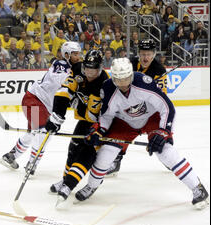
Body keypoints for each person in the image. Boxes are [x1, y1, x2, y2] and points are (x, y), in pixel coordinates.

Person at [74, 58, 209, 210]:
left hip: (151, 118)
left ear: (131, 75)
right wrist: (99, 130)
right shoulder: (108, 88)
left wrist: (165, 131)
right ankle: (92, 186)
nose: (123, 84)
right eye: (119, 79)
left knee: (165, 152)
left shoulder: (143, 82)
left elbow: (167, 107)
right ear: (113, 78)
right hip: (124, 122)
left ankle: (198, 188)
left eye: (126, 78)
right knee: (106, 153)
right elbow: (106, 116)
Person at [0, 42, 82, 175]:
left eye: (79, 53)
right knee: (43, 132)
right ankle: (32, 163)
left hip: (43, 105)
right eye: (75, 54)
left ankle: (10, 156)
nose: (78, 57)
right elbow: (58, 81)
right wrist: (76, 77)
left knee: (34, 133)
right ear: (66, 55)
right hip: (34, 100)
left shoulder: (74, 69)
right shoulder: (60, 64)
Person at [46, 49, 110, 203]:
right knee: (73, 149)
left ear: (99, 68)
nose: (89, 72)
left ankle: (69, 185)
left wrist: (78, 104)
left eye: (93, 69)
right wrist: (57, 115)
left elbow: (93, 115)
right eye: (86, 68)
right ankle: (65, 179)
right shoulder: (76, 69)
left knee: (86, 152)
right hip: (84, 120)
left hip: (100, 124)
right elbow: (64, 91)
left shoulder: (104, 83)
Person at [107, 39, 167, 177]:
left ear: (154, 54)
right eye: (143, 54)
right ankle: (117, 159)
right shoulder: (131, 64)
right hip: (130, 109)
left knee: (160, 136)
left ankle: (165, 152)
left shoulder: (159, 70)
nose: (145, 57)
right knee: (120, 131)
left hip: (151, 111)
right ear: (138, 54)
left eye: (148, 54)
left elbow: (162, 98)